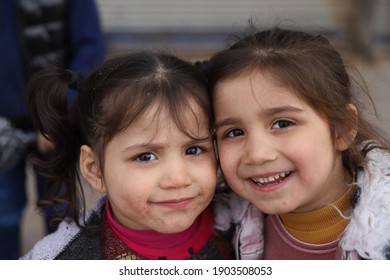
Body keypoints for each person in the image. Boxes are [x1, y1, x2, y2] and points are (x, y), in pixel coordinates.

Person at [20, 51, 235, 260]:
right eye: (146, 157)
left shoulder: (242, 224)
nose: (178, 179)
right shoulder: (64, 261)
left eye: (194, 150)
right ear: (95, 170)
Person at [208, 23, 390, 260]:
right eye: (234, 132)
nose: (257, 154)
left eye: (283, 124)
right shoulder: (218, 232)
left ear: (342, 129)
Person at [0, 0, 105, 259]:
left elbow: (89, 48)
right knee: (3, 210)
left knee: (60, 212)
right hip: (4, 120)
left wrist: (58, 111)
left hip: (54, 119)